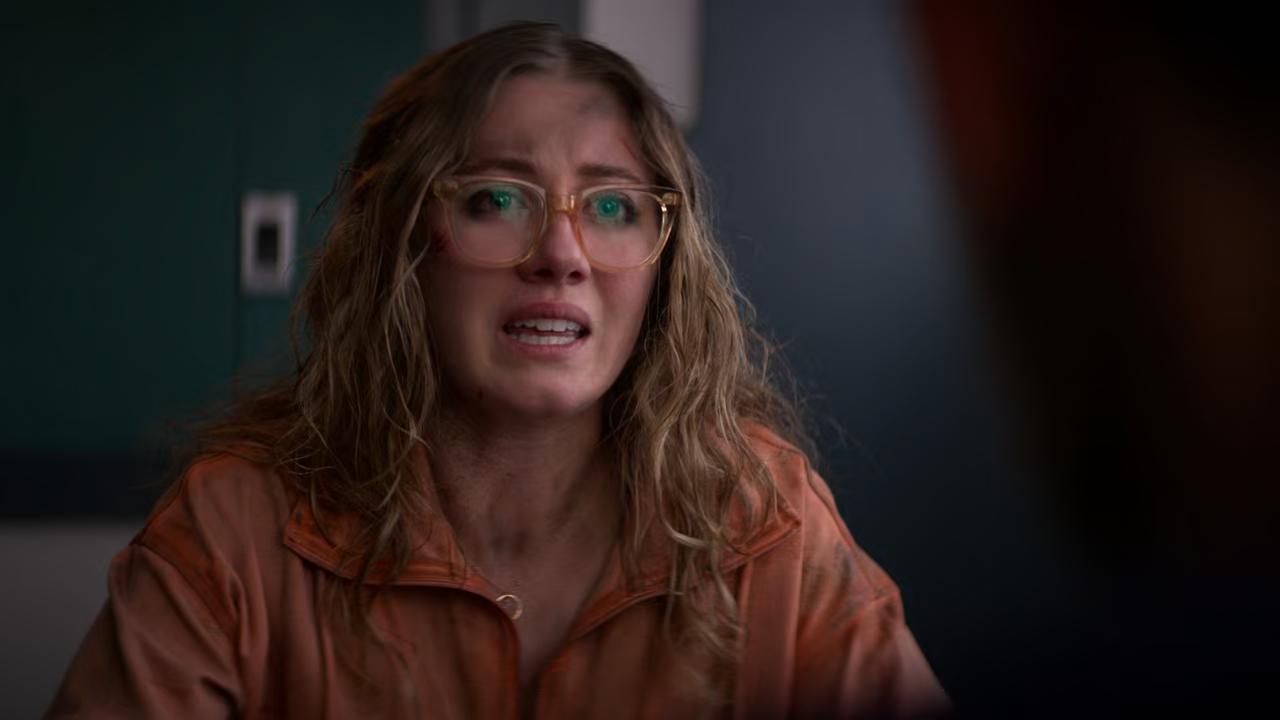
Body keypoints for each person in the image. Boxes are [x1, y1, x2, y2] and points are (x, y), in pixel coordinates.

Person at [45, 21, 948, 720]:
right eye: (496, 198)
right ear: (404, 246)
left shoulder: (765, 519)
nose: (562, 255)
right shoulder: (237, 524)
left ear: (665, 266)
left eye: (613, 206)